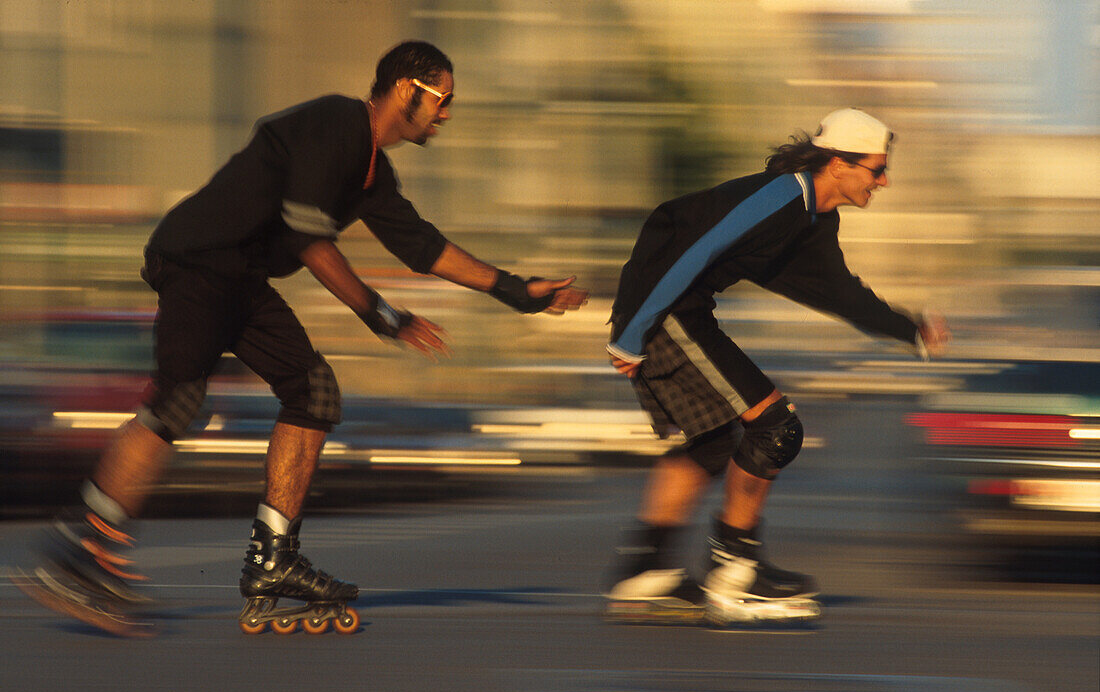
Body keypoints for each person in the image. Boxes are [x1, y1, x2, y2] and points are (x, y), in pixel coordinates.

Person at [17, 40, 587, 637]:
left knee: (314, 393)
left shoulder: (372, 173)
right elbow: (309, 239)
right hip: (197, 260)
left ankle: (273, 559)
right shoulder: (336, 124)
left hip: (241, 278)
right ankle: (85, 545)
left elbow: (423, 247)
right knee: (179, 401)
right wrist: (378, 312)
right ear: (404, 90)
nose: (447, 114)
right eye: (442, 99)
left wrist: (518, 292)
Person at [602, 108, 949, 625]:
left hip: (676, 309)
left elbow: (838, 293)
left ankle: (645, 573)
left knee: (715, 442)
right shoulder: (780, 195)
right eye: (876, 169)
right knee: (776, 428)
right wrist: (632, 335)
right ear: (837, 164)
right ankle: (736, 572)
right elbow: (693, 250)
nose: (884, 181)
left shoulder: (812, 218)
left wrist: (910, 330)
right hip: (665, 307)